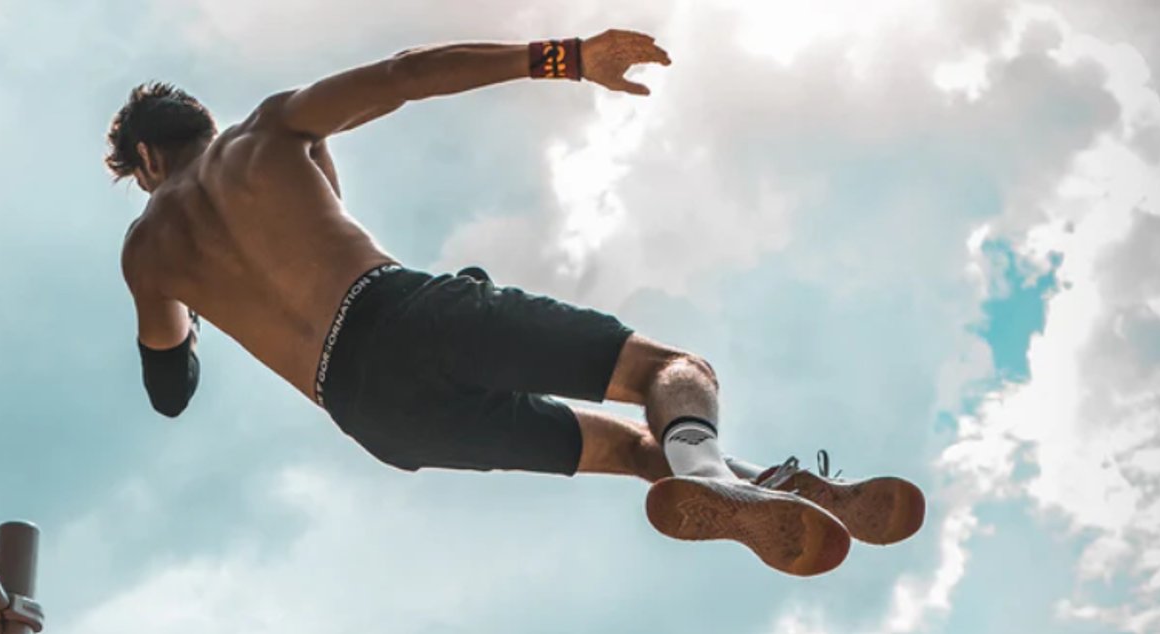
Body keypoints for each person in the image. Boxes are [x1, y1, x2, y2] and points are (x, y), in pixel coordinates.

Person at [105, 29, 923, 576]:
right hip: (401, 314)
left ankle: (767, 488)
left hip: (369, 413)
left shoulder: (146, 255)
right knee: (673, 371)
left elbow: (170, 389)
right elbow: (403, 76)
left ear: (146, 159)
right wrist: (567, 58)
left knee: (635, 452)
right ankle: (720, 478)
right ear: (197, 125)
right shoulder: (266, 133)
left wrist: (195, 306)